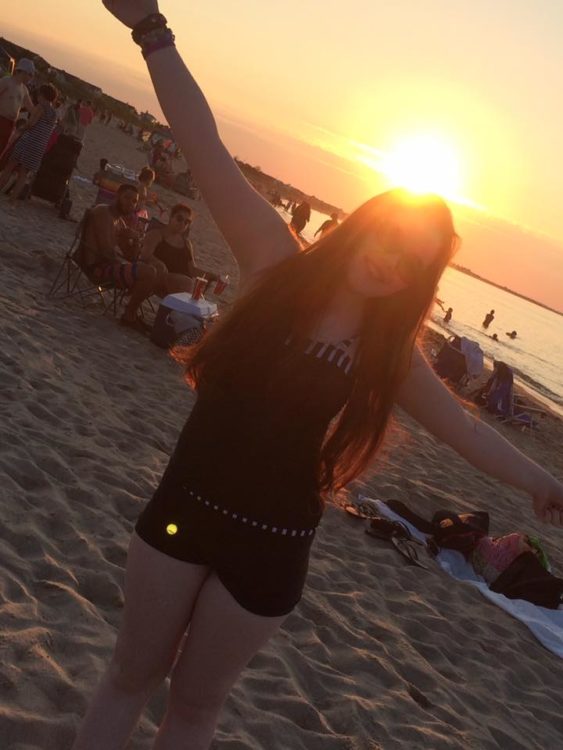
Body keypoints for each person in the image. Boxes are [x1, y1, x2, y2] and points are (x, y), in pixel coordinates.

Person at [74, 4, 563, 749]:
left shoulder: (386, 350)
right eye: (388, 237)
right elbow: (204, 149)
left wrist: (542, 483)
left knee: (195, 711)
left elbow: (463, 428)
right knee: (129, 680)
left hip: (272, 546)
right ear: (364, 222)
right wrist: (151, 30)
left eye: (413, 258)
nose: (390, 259)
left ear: (419, 276)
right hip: (184, 508)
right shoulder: (272, 260)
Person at [79, 182, 157, 333]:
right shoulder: (103, 213)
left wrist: (134, 241)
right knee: (148, 272)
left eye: (134, 201)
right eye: (127, 198)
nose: (130, 203)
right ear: (117, 196)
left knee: (155, 271)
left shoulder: (118, 220)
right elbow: (107, 252)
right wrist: (125, 260)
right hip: (97, 267)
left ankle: (132, 313)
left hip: (107, 264)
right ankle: (129, 315)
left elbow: (131, 257)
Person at [141, 203, 220, 295]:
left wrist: (212, 276)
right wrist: (159, 263)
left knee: (188, 287)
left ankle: (167, 307)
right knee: (187, 284)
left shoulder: (186, 244)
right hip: (157, 277)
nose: (182, 224)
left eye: (186, 222)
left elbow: (192, 270)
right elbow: (145, 255)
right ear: (171, 217)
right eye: (179, 219)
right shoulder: (157, 235)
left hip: (178, 285)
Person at [0, 83, 58, 202]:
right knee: (23, 174)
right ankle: (12, 199)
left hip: (28, 141)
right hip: (39, 146)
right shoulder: (54, 113)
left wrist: (19, 129)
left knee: (10, 166)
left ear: (42, 95)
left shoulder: (40, 107)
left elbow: (31, 124)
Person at [0, 58, 35, 159]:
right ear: (23, 72)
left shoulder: (24, 90)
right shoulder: (6, 81)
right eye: (30, 74)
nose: (30, 78)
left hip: (11, 125)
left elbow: (31, 108)